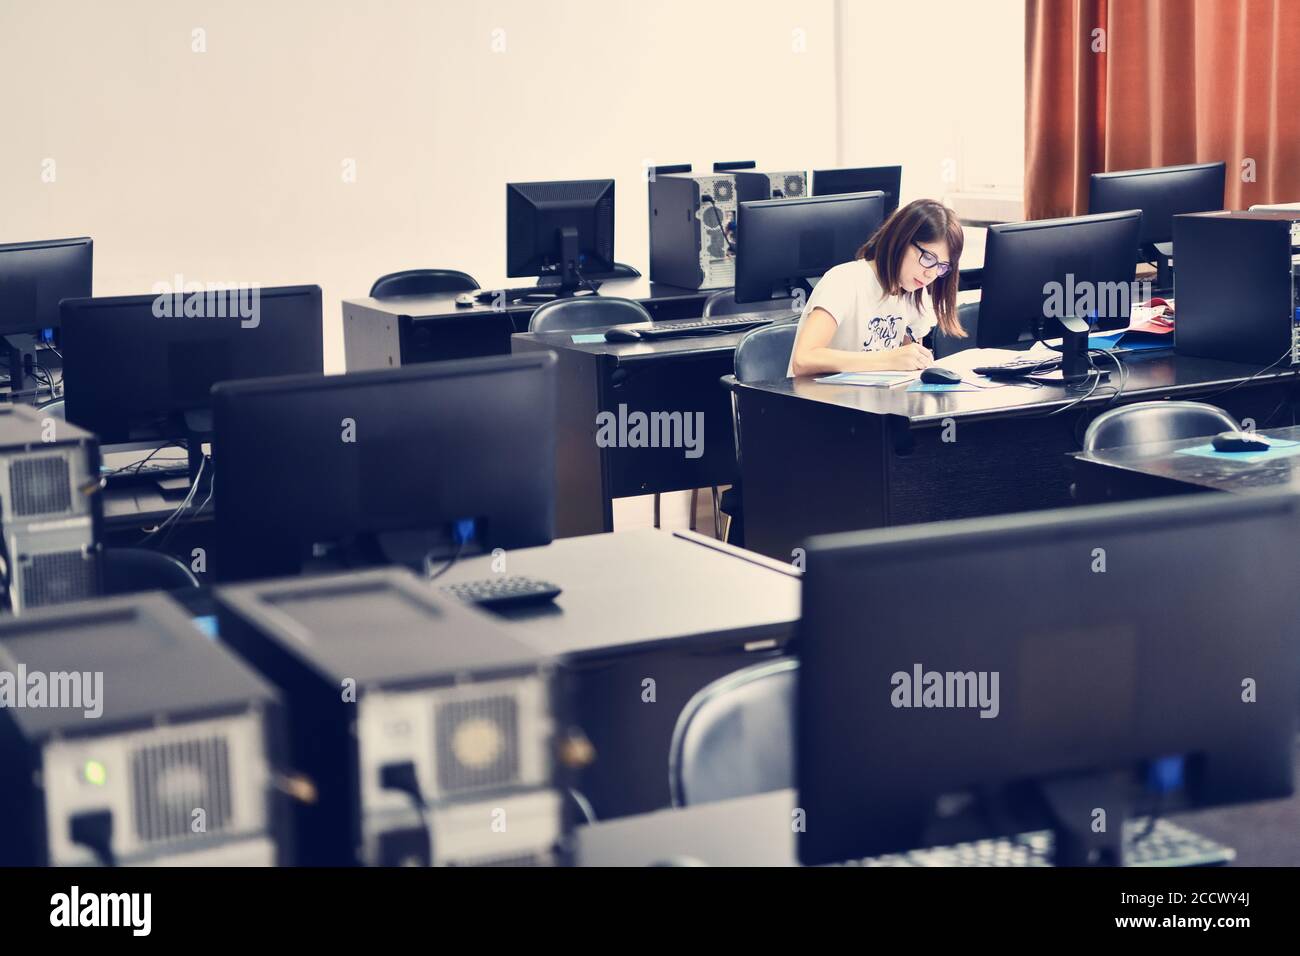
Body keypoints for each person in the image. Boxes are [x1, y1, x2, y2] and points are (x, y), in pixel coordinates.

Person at [787, 199, 965, 376]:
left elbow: (910, 369)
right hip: (818, 394)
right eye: (928, 258)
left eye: (941, 266)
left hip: (872, 394)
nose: (931, 274)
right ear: (901, 239)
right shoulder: (844, 281)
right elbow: (804, 359)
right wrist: (888, 359)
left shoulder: (915, 293)